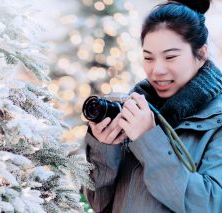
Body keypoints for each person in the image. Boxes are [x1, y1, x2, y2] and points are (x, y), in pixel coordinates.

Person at [83, 0, 222, 212]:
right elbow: (99, 203)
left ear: (201, 54)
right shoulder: (134, 108)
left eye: (170, 57)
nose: (157, 70)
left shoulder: (217, 120)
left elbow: (209, 205)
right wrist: (104, 148)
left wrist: (148, 138)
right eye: (148, 57)